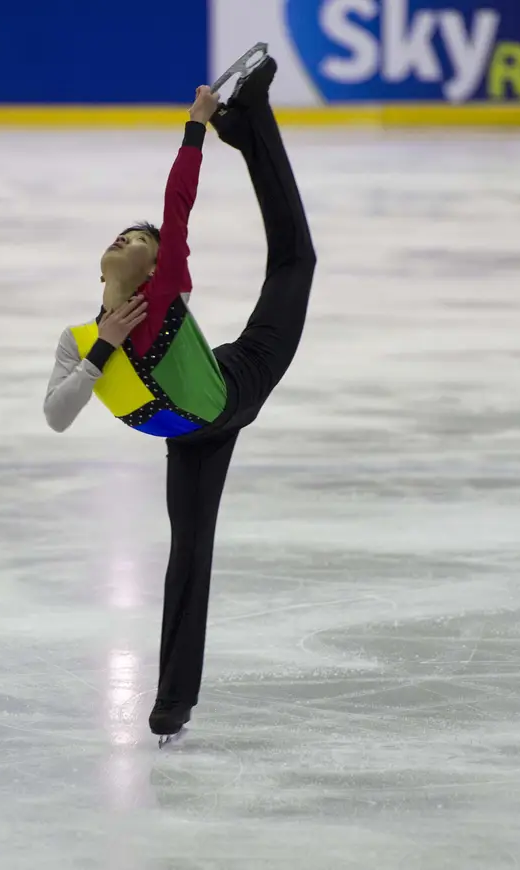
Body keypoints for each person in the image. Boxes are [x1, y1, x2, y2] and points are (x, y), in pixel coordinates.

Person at [43, 55, 316, 743]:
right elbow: (57, 416)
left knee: (295, 261)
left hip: (239, 379)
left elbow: (177, 202)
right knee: (189, 555)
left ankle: (251, 122)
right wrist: (103, 350)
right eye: (121, 234)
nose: (124, 238)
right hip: (191, 433)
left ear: (155, 266)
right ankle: (171, 706)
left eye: (139, 239)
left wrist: (197, 128)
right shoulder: (80, 340)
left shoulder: (164, 295)